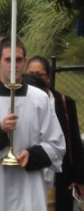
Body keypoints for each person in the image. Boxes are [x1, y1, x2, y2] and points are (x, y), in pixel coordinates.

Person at [0, 38, 65, 211]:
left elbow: (56, 145)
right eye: (8, 60)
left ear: (24, 61)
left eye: (19, 60)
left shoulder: (39, 99)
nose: (13, 65)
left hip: (26, 184)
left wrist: (32, 155)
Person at [25, 55, 84, 210]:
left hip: (57, 176)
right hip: (26, 174)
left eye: (39, 74)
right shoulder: (18, 102)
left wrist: (79, 177)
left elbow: (74, 141)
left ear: (49, 78)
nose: (34, 78)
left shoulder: (64, 103)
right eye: (30, 73)